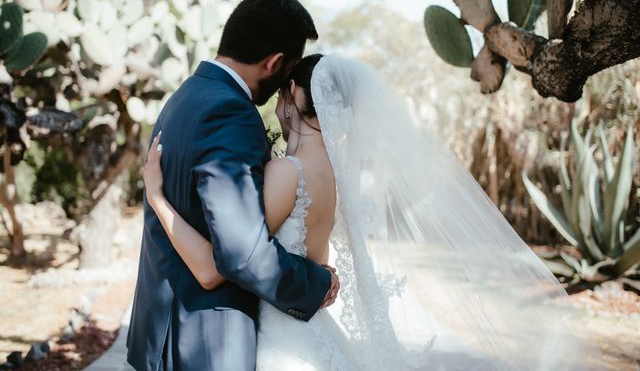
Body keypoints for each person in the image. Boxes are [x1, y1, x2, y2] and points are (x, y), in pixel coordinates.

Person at [143, 53, 603, 370]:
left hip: (283, 338)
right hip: (310, 323)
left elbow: (225, 257)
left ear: (295, 94)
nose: (278, 104)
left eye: (284, 94)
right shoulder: (332, 176)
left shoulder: (287, 173)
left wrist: (159, 199)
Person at [126, 0, 339, 371]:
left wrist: (156, 197)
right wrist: (317, 283)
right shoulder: (231, 113)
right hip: (205, 342)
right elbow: (241, 253)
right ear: (275, 63)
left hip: (166, 332)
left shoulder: (184, 97)